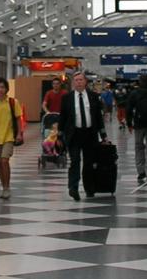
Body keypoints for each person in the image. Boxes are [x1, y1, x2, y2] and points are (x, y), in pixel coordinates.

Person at [59, 71, 108, 201]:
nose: (78, 82)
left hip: (89, 134)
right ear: (73, 83)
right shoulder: (67, 98)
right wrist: (59, 135)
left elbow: (98, 117)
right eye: (76, 80)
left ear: (85, 82)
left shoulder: (93, 97)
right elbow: (62, 118)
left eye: (81, 80)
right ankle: (73, 188)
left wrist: (103, 135)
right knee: (75, 161)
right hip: (74, 134)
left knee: (89, 162)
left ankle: (89, 188)